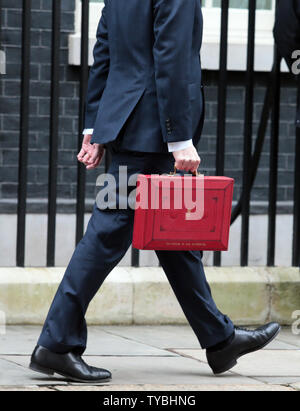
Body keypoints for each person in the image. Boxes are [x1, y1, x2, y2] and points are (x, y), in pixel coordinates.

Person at [30, 0, 280, 383]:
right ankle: (57, 344)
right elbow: (173, 56)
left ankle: (219, 339)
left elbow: (104, 52)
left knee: (172, 238)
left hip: (130, 122)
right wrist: (178, 137)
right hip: (153, 131)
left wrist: (95, 126)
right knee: (107, 234)